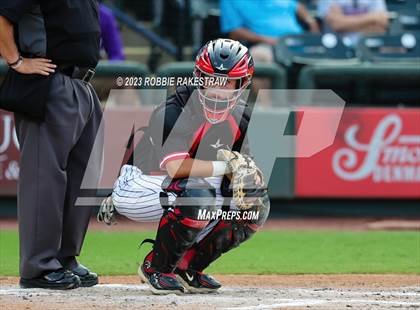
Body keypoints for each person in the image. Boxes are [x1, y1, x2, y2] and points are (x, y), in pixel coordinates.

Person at [98, 39, 270, 294]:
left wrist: (250, 178)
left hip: (184, 188)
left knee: (255, 204)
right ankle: (156, 267)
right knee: (197, 195)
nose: (216, 89)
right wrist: (226, 167)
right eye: (210, 79)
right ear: (198, 77)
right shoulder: (175, 109)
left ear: (242, 83)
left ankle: (187, 266)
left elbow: (242, 172)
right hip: (138, 184)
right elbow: (176, 168)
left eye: (226, 81)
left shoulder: (241, 117)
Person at [0, 0, 103, 289]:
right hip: (50, 83)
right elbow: (2, 17)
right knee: (43, 178)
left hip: (83, 84)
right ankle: (38, 267)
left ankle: (64, 258)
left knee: (82, 179)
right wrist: (16, 61)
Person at [317, 0, 388, 46]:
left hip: (371, 49)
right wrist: (371, 18)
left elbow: (382, 22)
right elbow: (336, 24)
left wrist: (345, 22)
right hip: (337, 50)